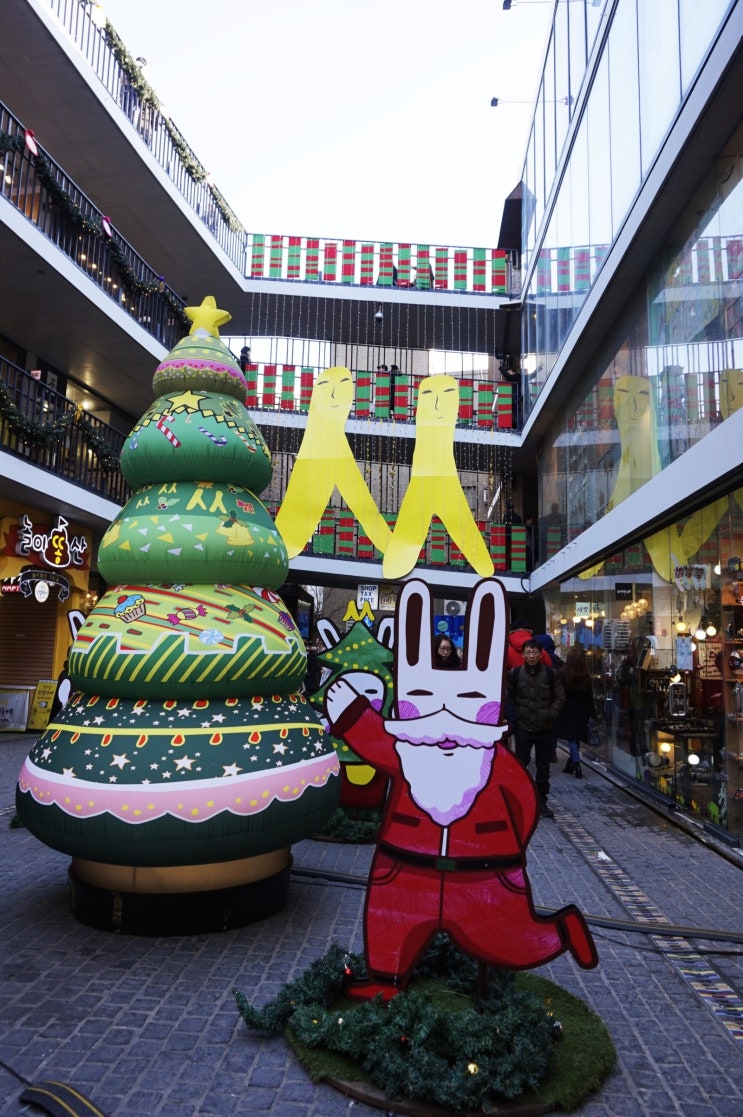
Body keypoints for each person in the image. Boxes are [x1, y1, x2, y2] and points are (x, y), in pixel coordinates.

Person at [506, 638, 565, 818]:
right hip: (523, 727)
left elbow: (560, 697)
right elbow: (510, 699)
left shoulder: (550, 673)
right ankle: (521, 801)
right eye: (528, 653)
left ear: (541, 654)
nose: (531, 656)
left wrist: (550, 714)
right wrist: (515, 719)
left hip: (544, 728)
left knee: (543, 767)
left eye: (535, 652)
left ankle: (542, 802)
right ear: (523, 655)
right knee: (520, 766)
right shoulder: (515, 674)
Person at [555, 647, 596, 779]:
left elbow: (558, 694)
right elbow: (590, 697)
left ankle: (576, 764)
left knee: (572, 738)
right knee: (576, 737)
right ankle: (571, 763)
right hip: (582, 712)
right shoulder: (585, 676)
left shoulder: (562, 674)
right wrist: (592, 714)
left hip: (567, 711)